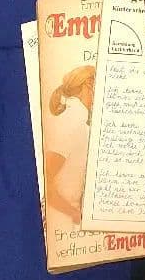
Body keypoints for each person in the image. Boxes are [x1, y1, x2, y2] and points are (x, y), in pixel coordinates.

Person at [44, 65, 96, 227]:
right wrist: (72, 212)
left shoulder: (79, 119)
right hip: (62, 221)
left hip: (69, 220)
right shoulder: (71, 119)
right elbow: (45, 179)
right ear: (89, 84)